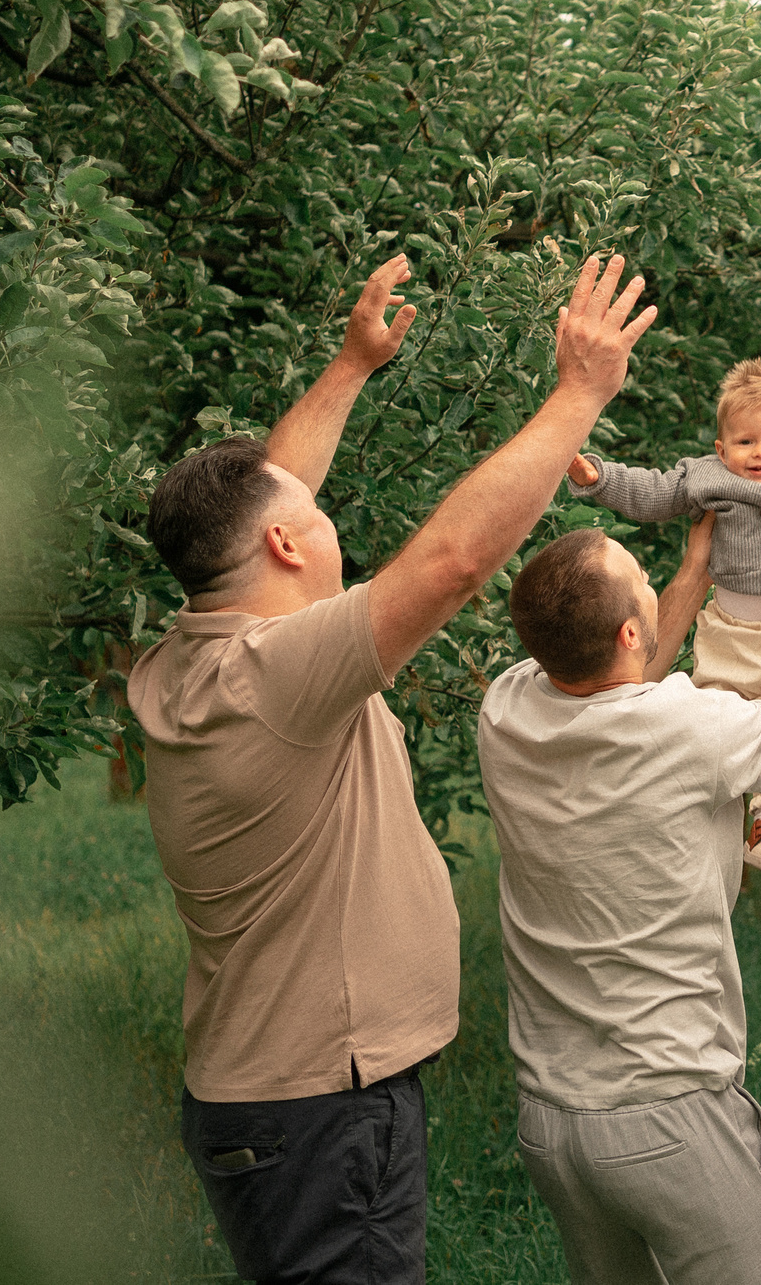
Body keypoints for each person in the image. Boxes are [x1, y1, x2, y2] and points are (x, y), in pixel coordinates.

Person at [129, 253, 658, 1285]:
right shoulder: (280, 675)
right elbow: (452, 563)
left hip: (260, 1094)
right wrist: (579, 393)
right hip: (325, 1106)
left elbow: (278, 493)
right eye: (315, 519)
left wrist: (351, 365)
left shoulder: (189, 655)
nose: (330, 523)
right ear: (287, 545)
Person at [476, 510, 761, 1285]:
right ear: (630, 633)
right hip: (669, 1113)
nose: (658, 591)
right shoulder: (695, 727)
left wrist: (696, 569)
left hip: (552, 1121)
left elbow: (618, 673)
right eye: (644, 582)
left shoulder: (507, 708)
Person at [566, 357, 761, 878]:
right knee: (716, 706)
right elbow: (653, 491)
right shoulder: (707, 478)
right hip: (726, 628)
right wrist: (600, 479)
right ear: (721, 450)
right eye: (745, 442)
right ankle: (707, 809)